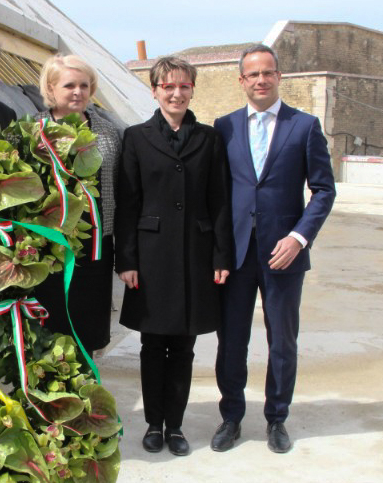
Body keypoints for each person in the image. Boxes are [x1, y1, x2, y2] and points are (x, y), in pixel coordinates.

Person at [210, 44, 336, 454]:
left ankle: (277, 418)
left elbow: (323, 190)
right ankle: (231, 417)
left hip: (284, 253)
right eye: (253, 74)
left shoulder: (305, 126)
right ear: (242, 81)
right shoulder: (224, 127)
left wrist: (299, 237)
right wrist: (218, 251)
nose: (261, 80)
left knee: (282, 340)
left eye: (268, 73)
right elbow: (218, 194)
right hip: (237, 254)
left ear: (279, 77)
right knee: (232, 340)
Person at [115, 57, 233, 456]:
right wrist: (126, 259)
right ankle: (154, 424)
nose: (176, 93)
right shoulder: (136, 137)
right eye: (168, 86)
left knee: (184, 346)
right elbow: (128, 203)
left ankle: (176, 427)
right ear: (154, 91)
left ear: (192, 90)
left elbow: (220, 201)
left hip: (196, 256)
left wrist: (221, 256)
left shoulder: (210, 139)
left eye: (184, 86)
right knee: (152, 345)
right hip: (151, 258)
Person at [34, 54, 122, 355]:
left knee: (89, 333)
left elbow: (118, 189)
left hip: (96, 249)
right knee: (50, 335)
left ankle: (87, 382)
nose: (78, 92)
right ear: (51, 87)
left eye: (84, 85)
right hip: (49, 250)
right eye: (69, 85)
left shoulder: (107, 133)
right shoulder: (33, 130)